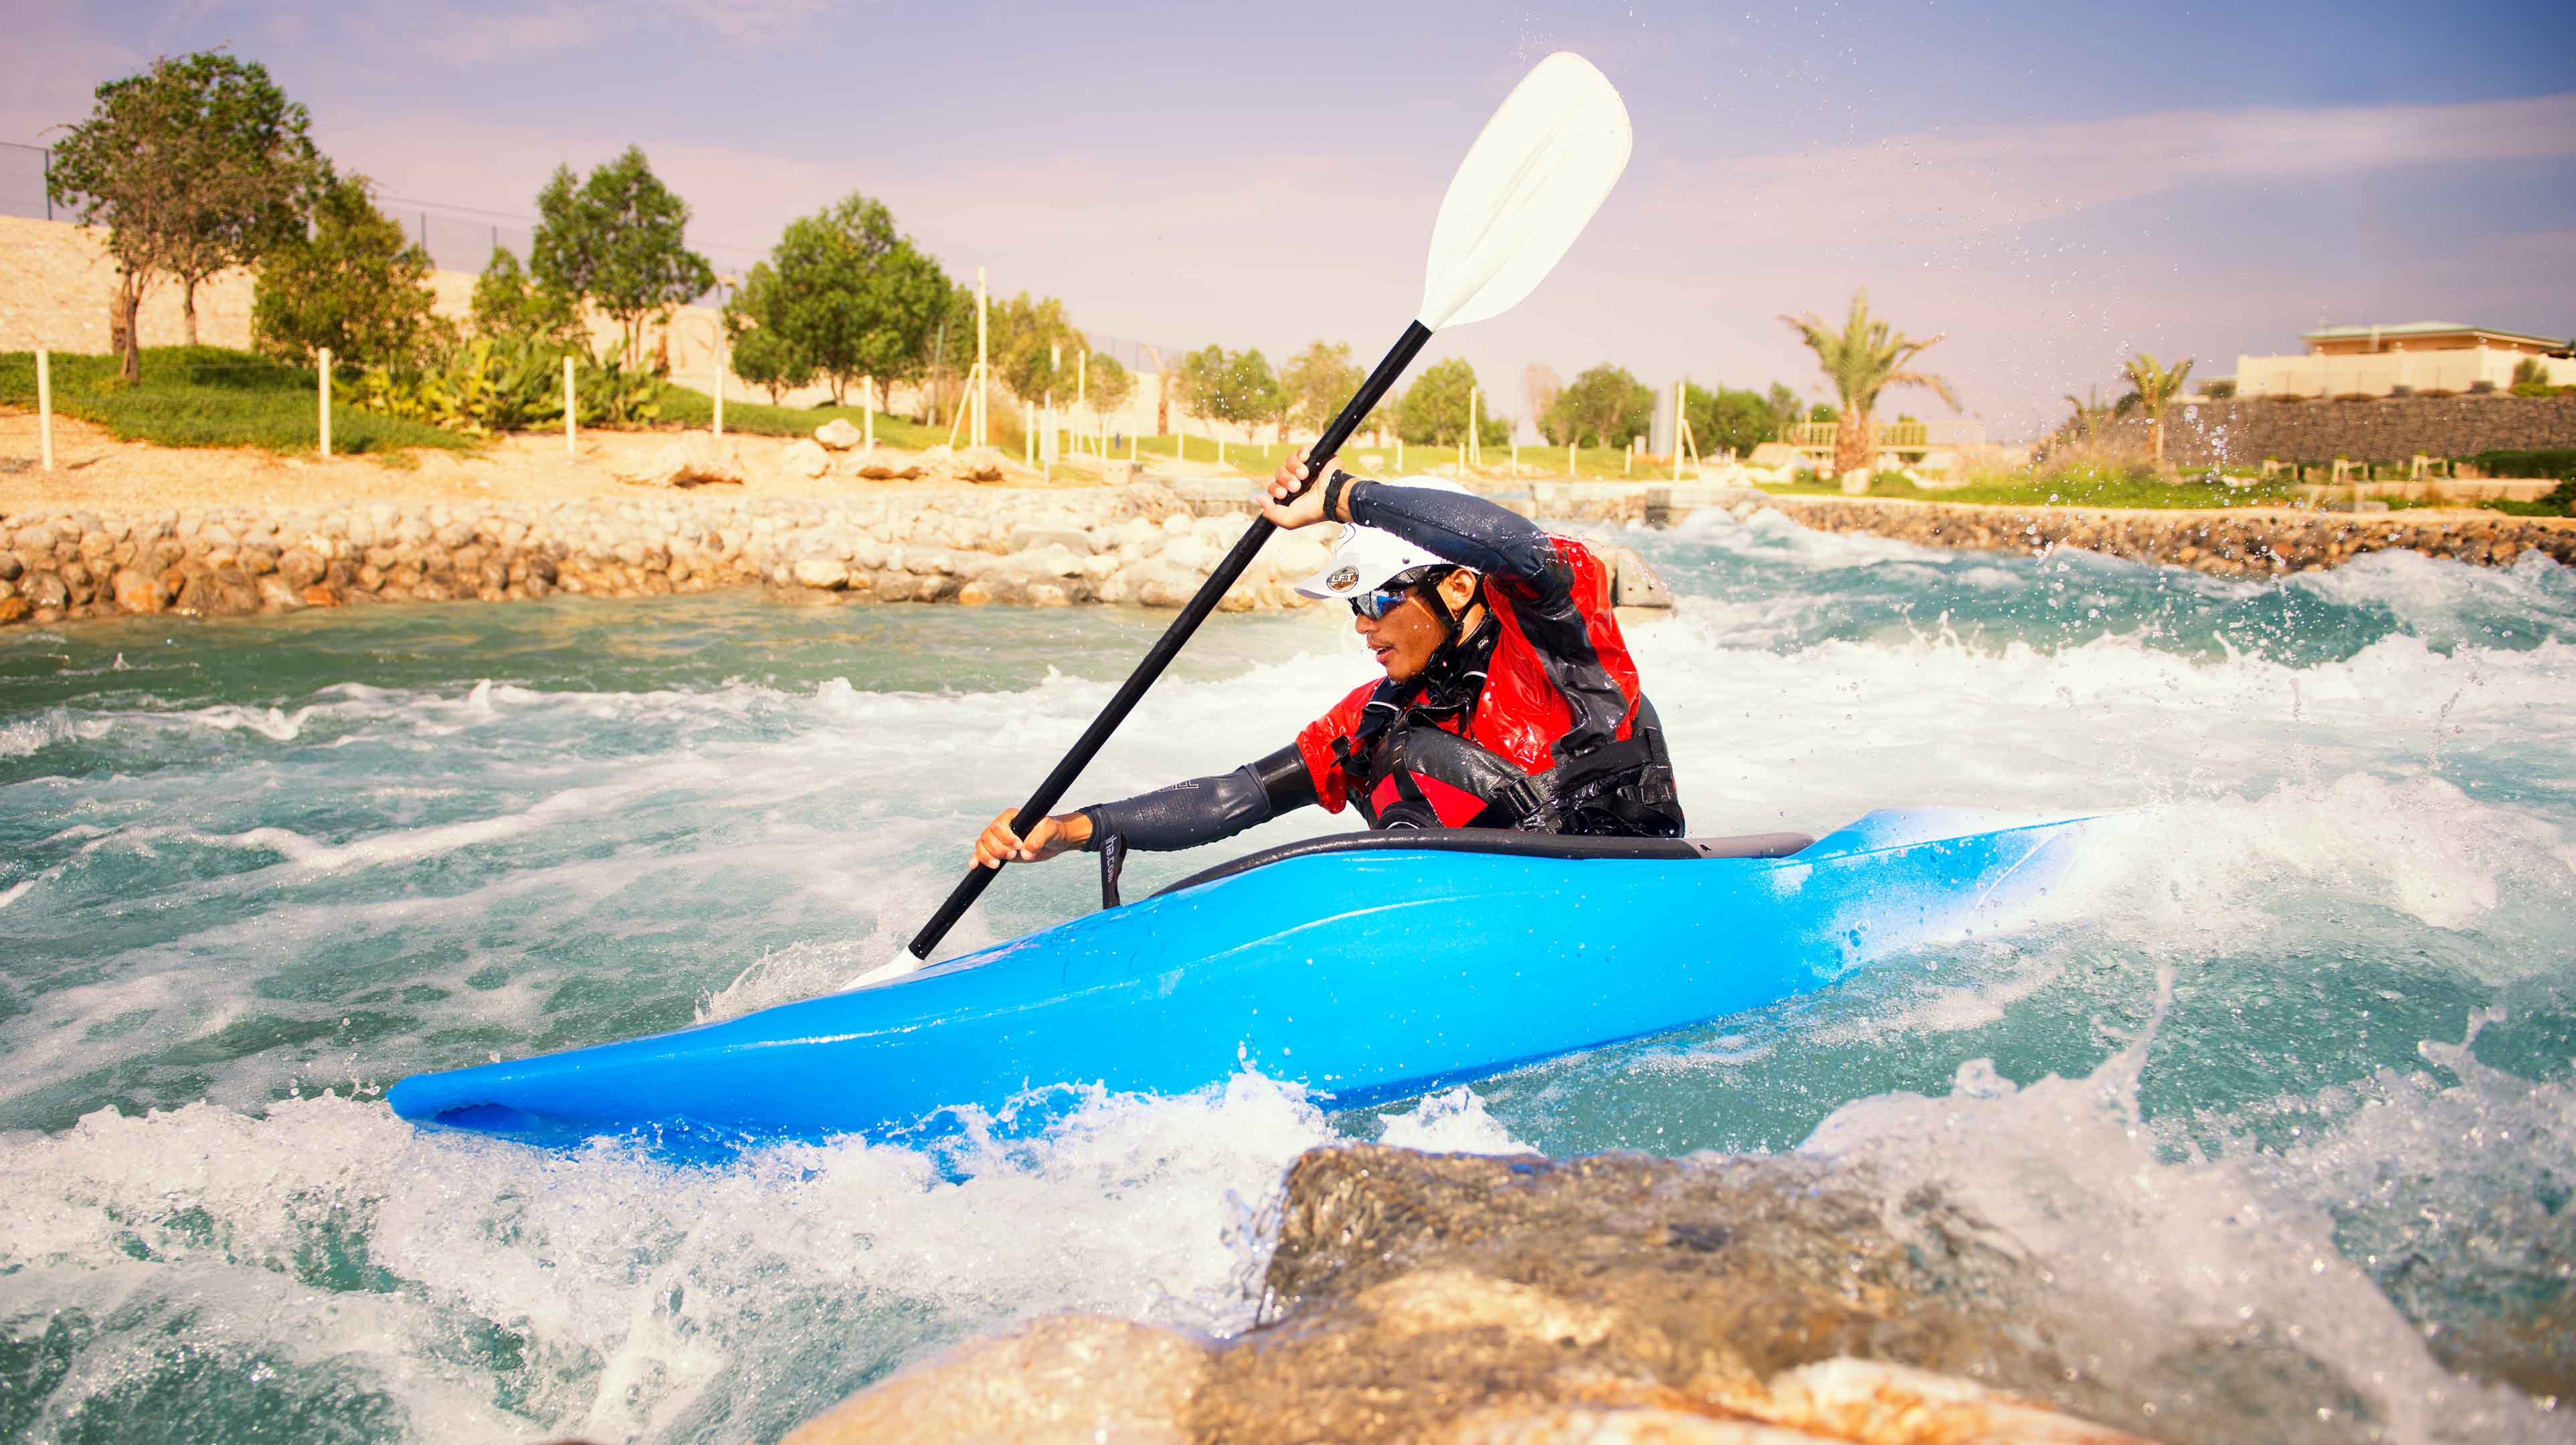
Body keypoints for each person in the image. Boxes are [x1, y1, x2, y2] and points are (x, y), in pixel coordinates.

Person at [970, 451, 1683, 871]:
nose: (1362, 627)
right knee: (1389, 752)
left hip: (1616, 892)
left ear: (1459, 585)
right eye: (1352, 608)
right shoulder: (1376, 718)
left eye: (1376, 601)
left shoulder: (1559, 650)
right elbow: (1232, 798)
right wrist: (1070, 831)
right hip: (1461, 944)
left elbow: (1515, 545)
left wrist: (1345, 498)